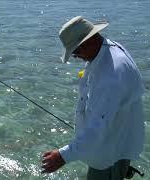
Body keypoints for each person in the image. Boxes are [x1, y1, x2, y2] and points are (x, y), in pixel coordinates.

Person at [42, 16, 145, 180]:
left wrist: (62, 156)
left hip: (109, 155)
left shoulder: (111, 76)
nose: (75, 57)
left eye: (75, 51)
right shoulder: (108, 49)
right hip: (109, 145)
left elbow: (99, 127)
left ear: (88, 42)